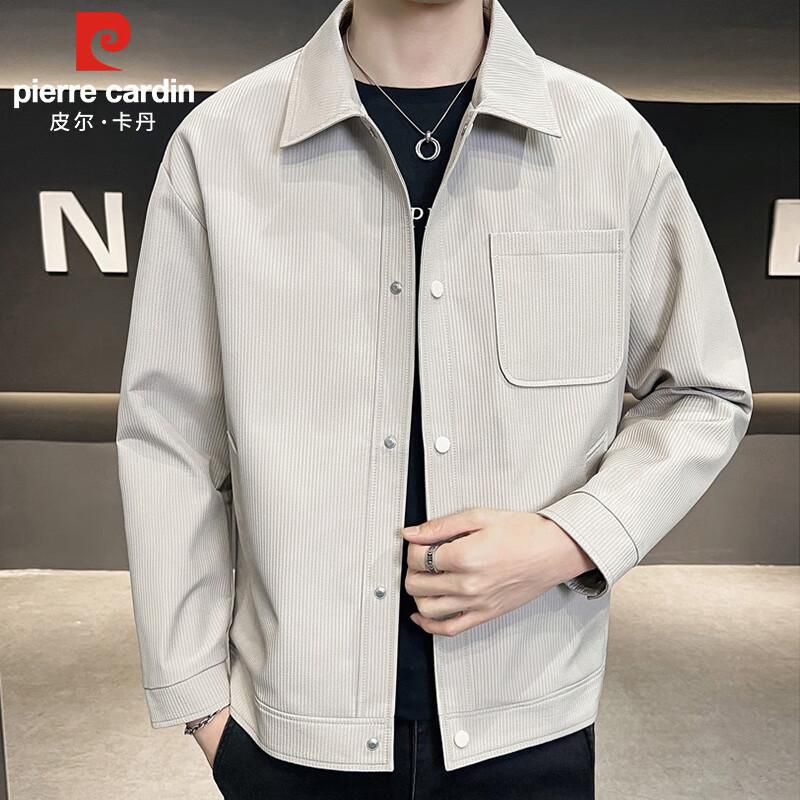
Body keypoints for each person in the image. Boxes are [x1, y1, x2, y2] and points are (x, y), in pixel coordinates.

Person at [115, 0, 753, 797]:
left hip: (529, 723)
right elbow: (170, 436)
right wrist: (202, 710)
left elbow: (703, 392)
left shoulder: (607, 143)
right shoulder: (219, 148)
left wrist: (568, 539)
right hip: (288, 734)